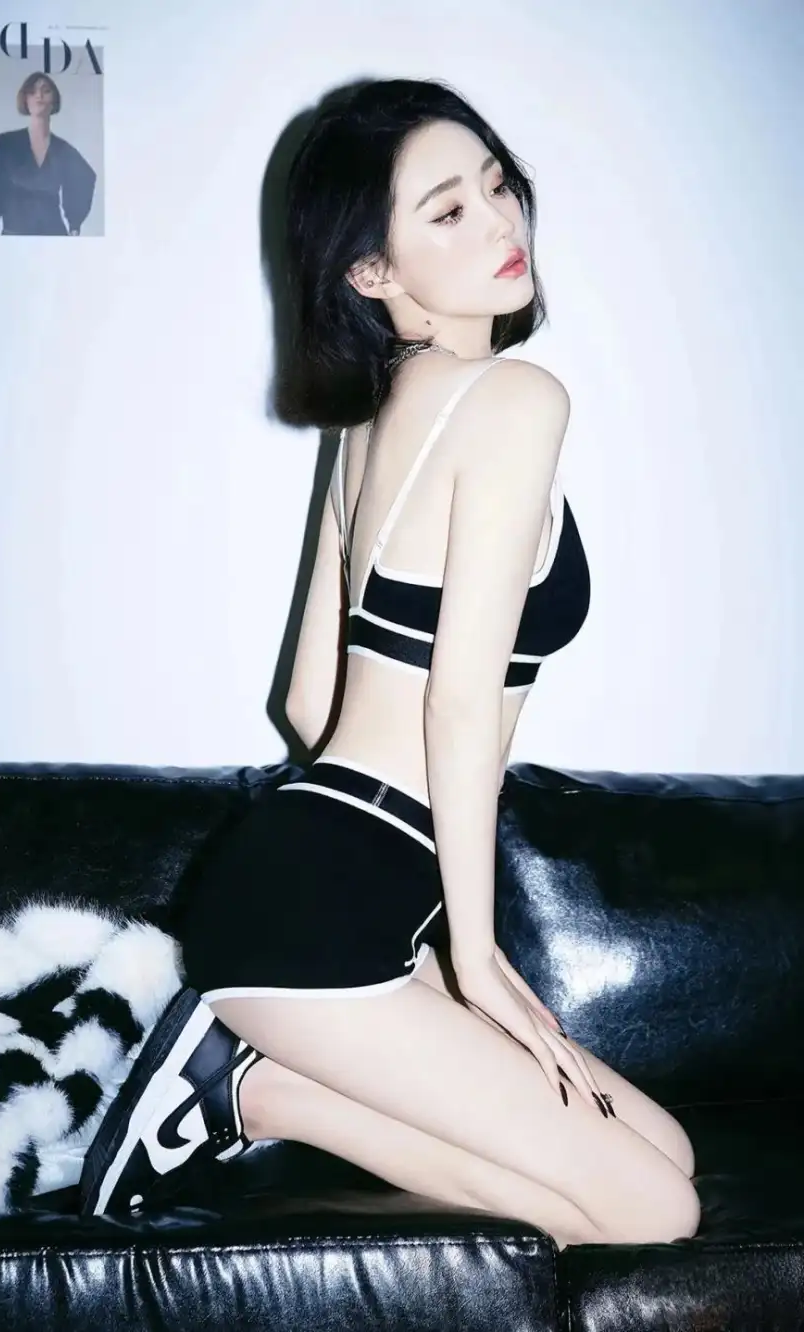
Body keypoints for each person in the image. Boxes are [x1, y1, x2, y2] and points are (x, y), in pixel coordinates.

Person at [78, 77, 700, 1249]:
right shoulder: (517, 399)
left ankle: (245, 1083)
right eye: (448, 211)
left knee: (664, 1153)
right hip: (328, 907)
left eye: (498, 187)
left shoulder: (364, 426)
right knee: (656, 1212)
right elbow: (457, 705)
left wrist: (412, 941)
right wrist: (474, 954)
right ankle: (250, 1094)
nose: (501, 221)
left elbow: (308, 702)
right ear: (371, 271)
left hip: (321, 884)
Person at [0, 71, 96, 236]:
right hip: (14, 236)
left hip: (54, 237)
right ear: (25, 100)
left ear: (54, 101)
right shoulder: (4, 144)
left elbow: (83, 179)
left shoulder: (64, 151)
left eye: (46, 90)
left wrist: (74, 225)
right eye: (32, 91)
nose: (39, 95)